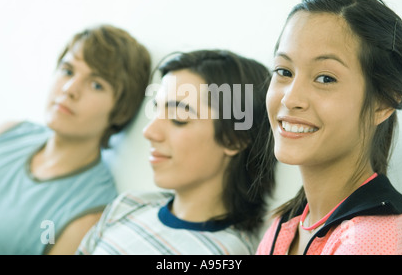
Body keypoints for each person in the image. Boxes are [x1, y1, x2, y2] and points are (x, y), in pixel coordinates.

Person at [256, 0, 402, 255]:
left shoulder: (371, 240)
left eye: (325, 78)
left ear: (383, 103)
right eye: (284, 71)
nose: (290, 98)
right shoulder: (286, 225)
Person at [77, 49, 276, 255]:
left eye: (178, 117)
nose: (149, 132)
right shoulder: (127, 206)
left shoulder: (230, 253)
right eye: (156, 111)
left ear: (235, 140)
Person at [0, 24, 151, 254]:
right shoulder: (9, 132)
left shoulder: (88, 212)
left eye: (96, 84)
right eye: (67, 71)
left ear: (121, 109)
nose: (69, 89)